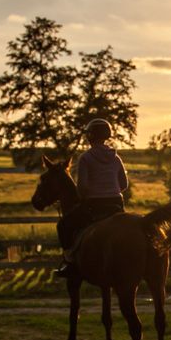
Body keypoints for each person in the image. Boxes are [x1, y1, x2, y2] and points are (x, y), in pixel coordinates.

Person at [55, 118, 130, 277]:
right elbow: (124, 184)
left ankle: (70, 262)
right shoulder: (116, 158)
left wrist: (87, 196)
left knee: (64, 225)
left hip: (94, 205)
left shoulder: (85, 158)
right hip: (117, 204)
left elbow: (82, 188)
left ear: (90, 136)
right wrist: (111, 191)